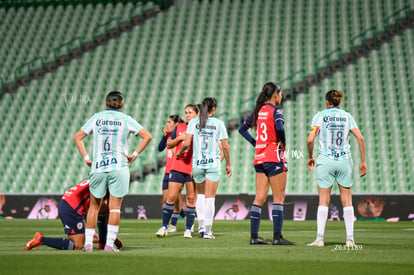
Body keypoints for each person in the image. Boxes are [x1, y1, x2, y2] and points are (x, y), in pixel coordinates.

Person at [74, 91, 152, 252]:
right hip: (119, 167)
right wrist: (134, 155)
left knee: (94, 207)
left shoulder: (97, 118)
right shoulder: (125, 119)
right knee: (115, 208)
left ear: (106, 102)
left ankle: (88, 244)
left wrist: (87, 158)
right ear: (122, 104)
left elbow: (78, 137)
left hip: (99, 166)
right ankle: (109, 245)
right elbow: (147, 136)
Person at [306, 90, 367, 248]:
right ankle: (350, 240)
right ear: (339, 102)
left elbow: (310, 139)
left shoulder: (320, 116)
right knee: (347, 201)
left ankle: (320, 239)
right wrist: (363, 161)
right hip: (344, 161)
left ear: (327, 102)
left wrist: (310, 156)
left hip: (325, 161)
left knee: (323, 201)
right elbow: (360, 138)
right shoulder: (347, 116)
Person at [239, 82, 295, 245]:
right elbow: (279, 128)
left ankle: (254, 237)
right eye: (281, 93)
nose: (281, 96)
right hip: (274, 156)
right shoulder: (276, 110)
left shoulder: (258, 111)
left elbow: (242, 129)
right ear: (275, 95)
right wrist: (283, 144)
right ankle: (277, 237)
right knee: (279, 198)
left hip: (259, 158)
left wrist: (255, 143)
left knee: (259, 199)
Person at [178, 97, 232, 239]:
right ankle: (207, 231)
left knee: (200, 196)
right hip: (213, 164)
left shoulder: (194, 122)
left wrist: (180, 151)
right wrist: (228, 164)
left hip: (198, 165)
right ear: (213, 109)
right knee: (210, 198)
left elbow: (187, 143)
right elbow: (225, 146)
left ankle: (201, 227)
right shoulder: (218, 123)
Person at [24, 179, 123, 251]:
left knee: (102, 211)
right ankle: (41, 239)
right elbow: (103, 211)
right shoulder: (106, 189)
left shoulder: (100, 179)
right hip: (71, 208)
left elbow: (91, 208)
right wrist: (111, 236)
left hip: (70, 204)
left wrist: (93, 233)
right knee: (77, 246)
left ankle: (102, 242)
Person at [156, 104, 199, 238]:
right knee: (171, 198)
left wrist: (197, 166)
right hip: (178, 166)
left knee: (191, 199)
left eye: (190, 112)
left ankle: (188, 229)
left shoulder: (200, 129)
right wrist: (180, 138)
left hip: (192, 168)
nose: (187, 115)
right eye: (186, 112)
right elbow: (168, 144)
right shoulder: (180, 127)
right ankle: (164, 227)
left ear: (197, 114)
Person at [158, 114, 186, 232]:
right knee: (166, 199)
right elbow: (160, 148)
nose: (167, 124)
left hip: (176, 170)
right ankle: (186, 216)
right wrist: (164, 136)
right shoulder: (169, 136)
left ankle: (173, 225)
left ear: (176, 124)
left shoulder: (180, 136)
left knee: (174, 198)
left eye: (169, 122)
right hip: (167, 171)